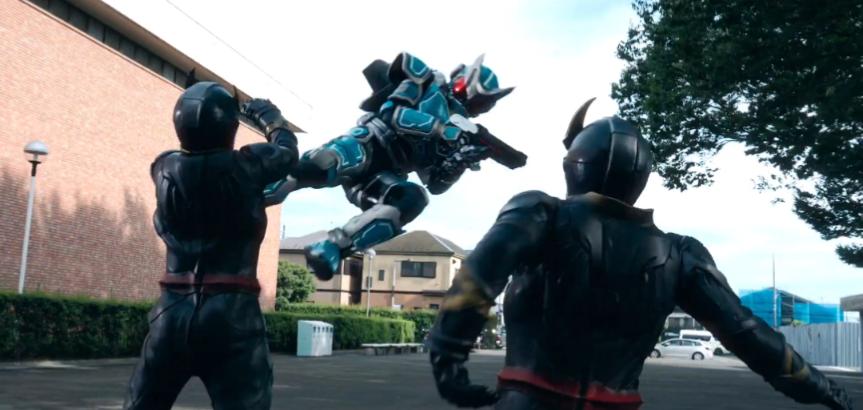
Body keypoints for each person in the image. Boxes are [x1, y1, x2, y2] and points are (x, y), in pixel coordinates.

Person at [427, 99, 853, 410]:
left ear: (575, 165)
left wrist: (448, 356)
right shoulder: (680, 254)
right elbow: (749, 335)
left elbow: (479, 276)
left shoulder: (540, 213)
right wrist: (825, 390)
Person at [265, 52, 518, 280]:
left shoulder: (461, 130)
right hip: (368, 143)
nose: (482, 108)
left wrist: (460, 161)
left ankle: (334, 247)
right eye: (483, 101)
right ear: (468, 83)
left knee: (413, 198)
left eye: (486, 104)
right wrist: (441, 128)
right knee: (322, 166)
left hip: (383, 176)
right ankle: (261, 187)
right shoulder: (425, 82)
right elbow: (393, 114)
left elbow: (435, 184)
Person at [123, 81, 298, 410]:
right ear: (231, 127)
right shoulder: (248, 164)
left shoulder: (163, 167)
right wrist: (270, 118)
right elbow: (287, 153)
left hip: (171, 312)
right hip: (232, 312)